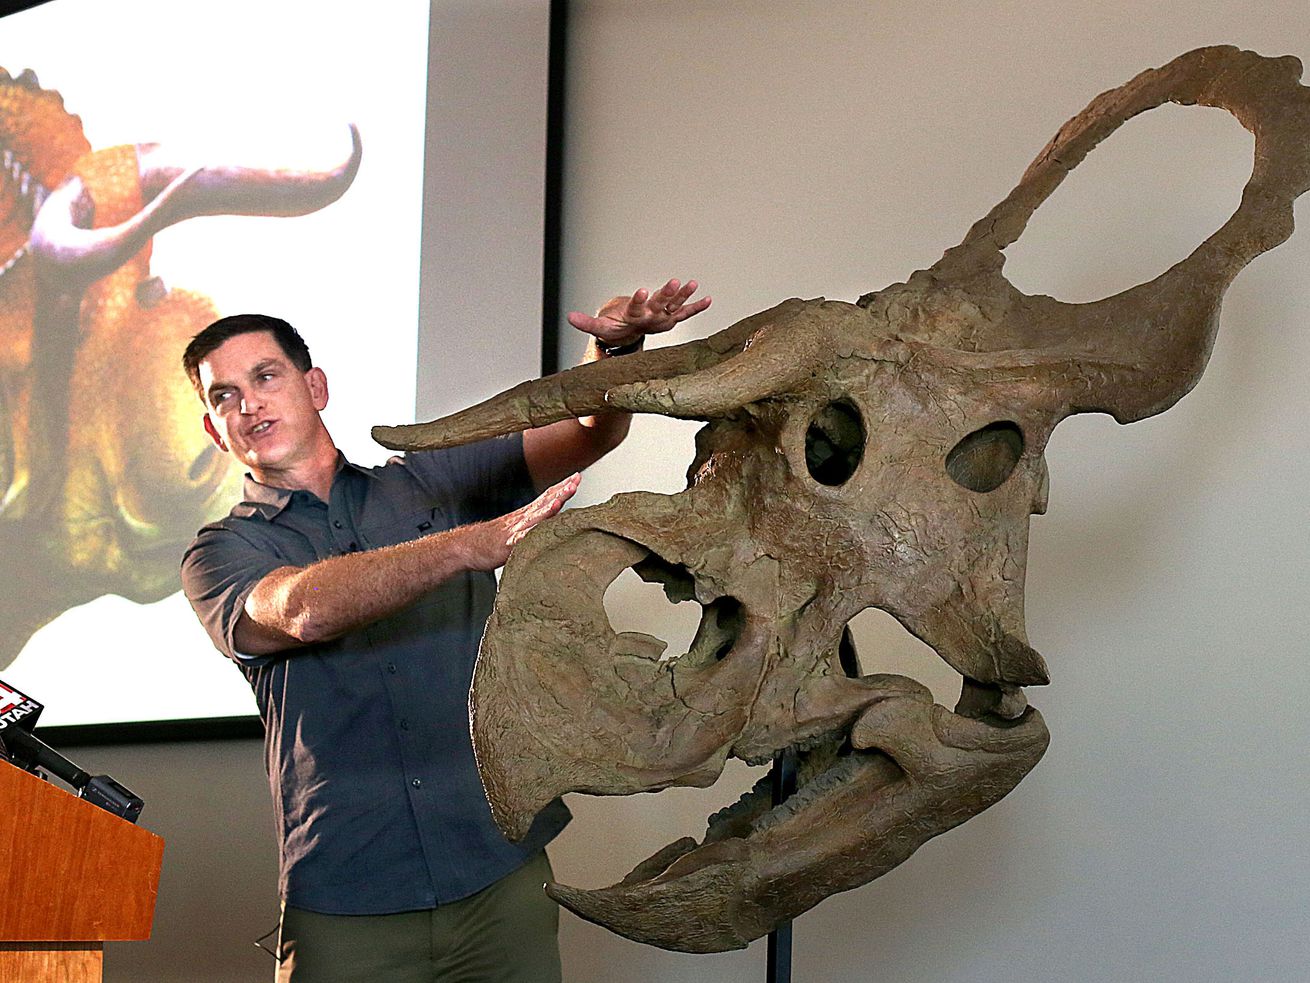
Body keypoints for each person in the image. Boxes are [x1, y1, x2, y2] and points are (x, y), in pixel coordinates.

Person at [179, 279, 710, 983]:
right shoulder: (219, 552)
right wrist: (463, 546)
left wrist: (614, 352)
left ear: (315, 387)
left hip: (498, 871)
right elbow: (301, 609)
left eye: (266, 377)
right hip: (347, 898)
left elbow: (588, 430)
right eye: (225, 396)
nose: (249, 404)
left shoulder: (431, 481)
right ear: (214, 430)